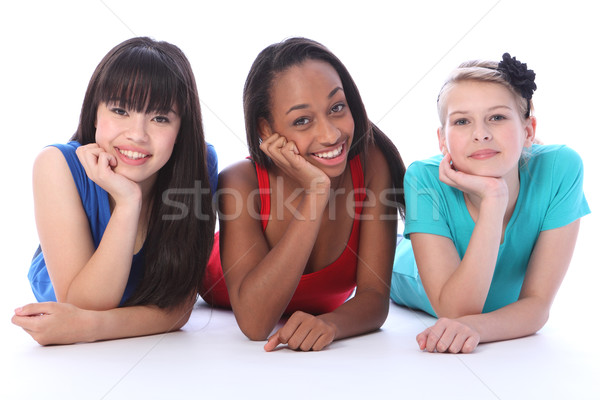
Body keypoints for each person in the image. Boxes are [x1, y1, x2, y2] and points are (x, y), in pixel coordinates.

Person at [200, 37, 405, 352]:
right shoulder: (240, 182)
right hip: (210, 276)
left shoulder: (371, 160)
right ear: (266, 130)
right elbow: (255, 324)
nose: (330, 134)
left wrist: (332, 324)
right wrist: (317, 191)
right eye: (302, 120)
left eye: (337, 107)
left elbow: (375, 298)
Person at [12, 37, 217, 345]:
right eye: (120, 110)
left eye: (160, 118)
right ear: (95, 113)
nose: (137, 135)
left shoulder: (200, 164)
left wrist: (89, 327)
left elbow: (177, 308)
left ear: (181, 129)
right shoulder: (57, 165)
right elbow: (81, 305)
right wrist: (128, 201)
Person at [391, 53, 590, 353]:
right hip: (402, 268)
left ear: (528, 131)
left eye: (497, 117)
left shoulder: (561, 168)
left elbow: (537, 305)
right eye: (461, 121)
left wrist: (478, 328)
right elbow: (456, 312)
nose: (481, 134)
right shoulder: (423, 177)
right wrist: (494, 201)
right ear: (442, 141)